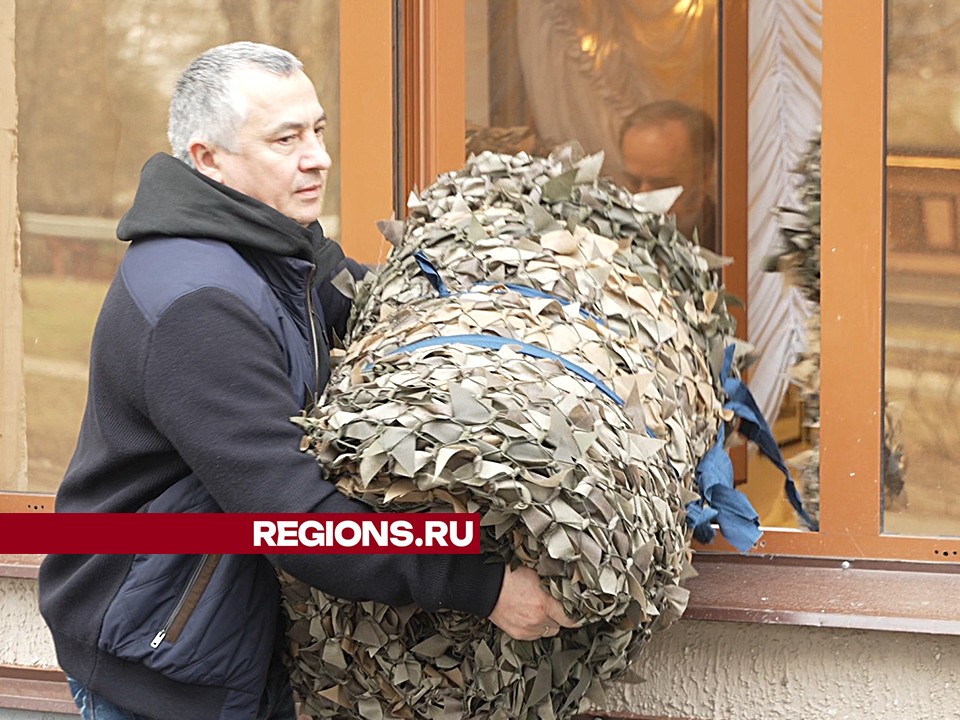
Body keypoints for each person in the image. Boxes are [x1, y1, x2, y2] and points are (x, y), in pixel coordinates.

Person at [38, 41, 574, 720]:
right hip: (161, 659)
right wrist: (484, 584)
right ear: (208, 159)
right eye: (285, 138)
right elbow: (297, 518)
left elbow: (385, 314)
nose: (317, 156)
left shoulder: (279, 250)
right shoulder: (196, 304)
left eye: (318, 130)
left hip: (229, 632)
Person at [618, 100, 718, 253]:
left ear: (703, 177)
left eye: (661, 184)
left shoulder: (728, 243)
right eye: (634, 182)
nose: (642, 197)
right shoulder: (608, 239)